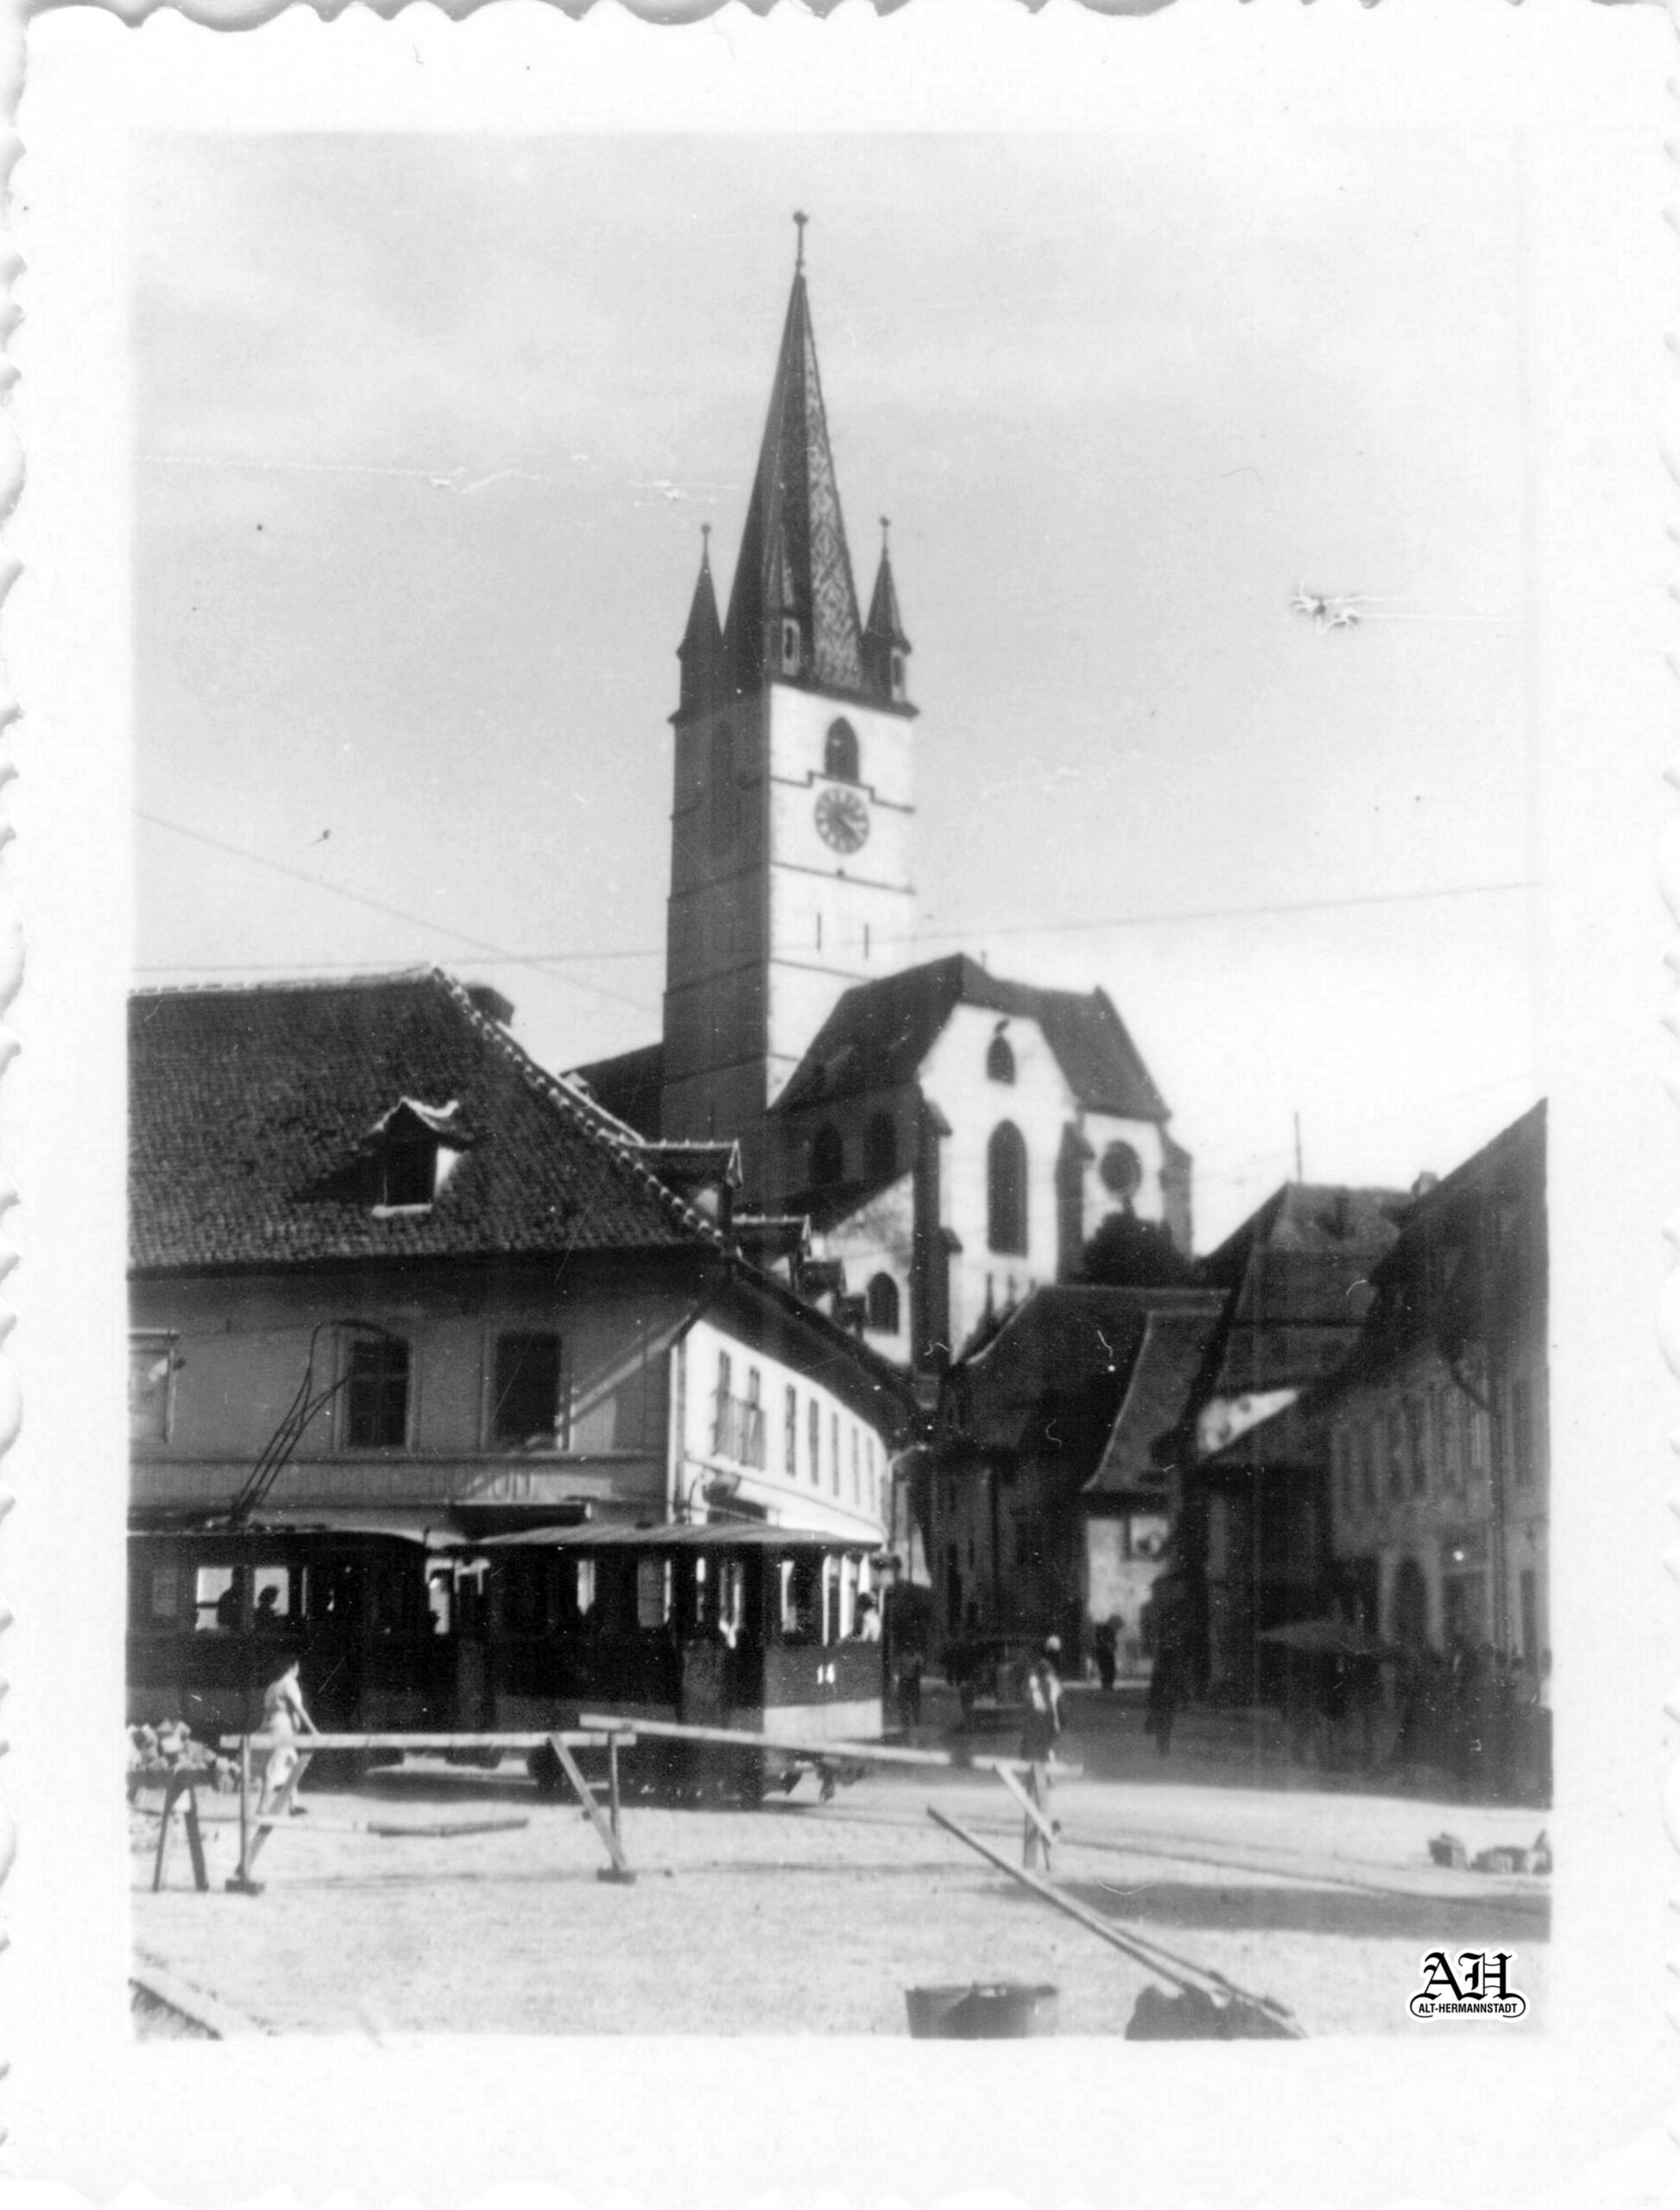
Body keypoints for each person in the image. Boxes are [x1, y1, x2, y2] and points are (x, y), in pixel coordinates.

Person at [1018, 1639, 1064, 1871]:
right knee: (1040, 1789)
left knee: (1034, 1791)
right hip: (1043, 1739)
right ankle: (1045, 1833)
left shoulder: (1037, 1685)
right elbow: (1055, 1714)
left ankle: (1042, 1836)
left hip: (1036, 1740)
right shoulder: (1049, 1685)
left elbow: (1036, 1710)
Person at [256, 1656, 316, 1817]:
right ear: (292, 1667)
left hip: (273, 1728)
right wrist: (313, 1730)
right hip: (282, 1731)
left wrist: (261, 1731)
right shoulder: (289, 1683)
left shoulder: (272, 1687)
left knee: (292, 1766)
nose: (298, 1670)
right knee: (274, 1768)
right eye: (298, 1667)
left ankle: (293, 1805)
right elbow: (299, 1709)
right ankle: (261, 1809)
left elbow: (267, 1715)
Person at [1093, 1613, 1120, 1693]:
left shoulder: (1107, 1630)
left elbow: (1112, 1642)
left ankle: (1107, 1685)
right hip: (1104, 1651)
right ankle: (1107, 1685)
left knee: (1106, 1669)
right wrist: (1110, 1646)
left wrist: (1112, 1646)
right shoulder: (1107, 1630)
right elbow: (1107, 1641)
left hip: (1104, 1651)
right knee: (1107, 1669)